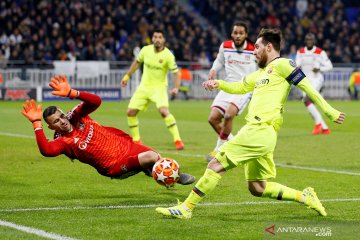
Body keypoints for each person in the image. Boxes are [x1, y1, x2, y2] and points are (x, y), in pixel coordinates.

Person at [155, 28, 345, 219]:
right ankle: (305, 197)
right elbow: (240, 86)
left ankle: (186, 208)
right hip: (260, 132)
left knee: (216, 164)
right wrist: (218, 84)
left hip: (260, 129)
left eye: (257, 47)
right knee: (257, 187)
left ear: (269, 47)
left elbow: (307, 87)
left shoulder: (284, 64)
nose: (254, 51)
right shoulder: (261, 73)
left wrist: (330, 111)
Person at [21, 75, 195, 184]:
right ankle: (171, 177)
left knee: (157, 156)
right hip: (114, 165)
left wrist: (72, 93)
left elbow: (96, 101)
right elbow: (47, 151)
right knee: (152, 157)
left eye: (61, 116)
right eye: (56, 122)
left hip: (126, 144)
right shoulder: (62, 141)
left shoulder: (76, 115)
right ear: (51, 127)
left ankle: (156, 170)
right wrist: (37, 124)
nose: (62, 122)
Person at [121, 29, 184, 150]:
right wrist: (127, 76)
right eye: (155, 37)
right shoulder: (145, 50)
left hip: (159, 87)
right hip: (144, 86)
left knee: (164, 111)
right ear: (152, 38)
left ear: (164, 40)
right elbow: (137, 63)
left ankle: (178, 140)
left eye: (160, 37)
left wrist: (176, 88)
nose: (157, 39)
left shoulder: (168, 55)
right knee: (130, 112)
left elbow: (177, 73)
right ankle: (137, 140)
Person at [205, 22, 257, 161]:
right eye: (236, 33)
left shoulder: (254, 49)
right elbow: (219, 61)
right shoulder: (225, 46)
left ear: (246, 35)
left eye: (241, 33)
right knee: (213, 119)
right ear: (232, 34)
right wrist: (214, 69)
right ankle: (235, 145)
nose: (238, 36)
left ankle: (219, 150)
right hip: (228, 86)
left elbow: (262, 67)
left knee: (228, 115)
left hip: (245, 88)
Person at [295, 33, 333, 135]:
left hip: (317, 79)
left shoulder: (320, 52)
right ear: (305, 41)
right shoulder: (300, 52)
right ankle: (325, 128)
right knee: (308, 103)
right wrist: (296, 68)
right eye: (307, 40)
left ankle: (318, 125)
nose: (309, 41)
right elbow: (297, 64)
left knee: (307, 99)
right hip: (306, 80)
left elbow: (330, 66)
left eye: (311, 40)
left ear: (314, 41)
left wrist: (320, 68)